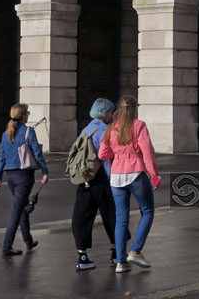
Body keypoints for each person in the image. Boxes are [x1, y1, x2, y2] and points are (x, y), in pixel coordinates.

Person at [98, 95, 161, 274]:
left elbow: (102, 154)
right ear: (134, 108)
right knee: (147, 211)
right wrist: (154, 174)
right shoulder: (139, 125)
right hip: (136, 173)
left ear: (119, 108)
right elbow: (147, 152)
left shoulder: (111, 128)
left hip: (116, 176)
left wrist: (118, 153)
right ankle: (135, 251)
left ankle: (120, 262)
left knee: (121, 218)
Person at [0, 103, 49, 257]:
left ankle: (28, 241)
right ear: (23, 115)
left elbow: (2, 157)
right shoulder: (28, 131)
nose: (28, 115)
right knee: (16, 211)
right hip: (24, 176)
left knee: (22, 207)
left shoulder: (6, 134)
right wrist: (45, 171)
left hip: (10, 177)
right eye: (27, 113)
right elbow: (37, 153)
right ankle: (7, 245)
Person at [72, 98, 120, 271]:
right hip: (101, 178)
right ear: (106, 113)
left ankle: (82, 255)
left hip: (85, 177)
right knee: (111, 214)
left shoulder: (86, 129)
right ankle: (116, 252)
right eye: (111, 112)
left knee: (82, 216)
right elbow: (106, 157)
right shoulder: (105, 131)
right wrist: (112, 178)